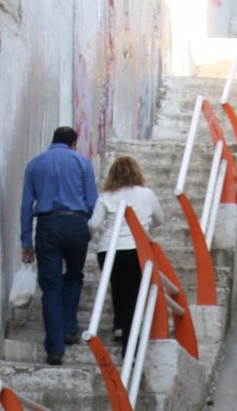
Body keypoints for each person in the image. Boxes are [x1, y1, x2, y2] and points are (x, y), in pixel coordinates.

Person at [20, 126, 98, 366]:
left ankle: (55, 349)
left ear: (52, 141)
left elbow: (26, 205)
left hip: (46, 225)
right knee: (74, 276)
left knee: (51, 286)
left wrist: (26, 241)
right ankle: (69, 327)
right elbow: (93, 201)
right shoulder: (82, 163)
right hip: (76, 222)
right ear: (73, 143)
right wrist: (89, 229)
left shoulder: (35, 164)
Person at [88, 155, 165, 352]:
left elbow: (94, 224)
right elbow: (160, 219)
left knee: (117, 285)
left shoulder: (106, 196)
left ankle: (119, 326)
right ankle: (129, 347)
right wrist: (145, 226)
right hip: (136, 249)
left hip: (108, 249)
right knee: (132, 295)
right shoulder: (146, 194)